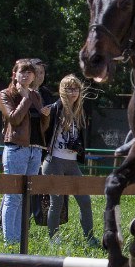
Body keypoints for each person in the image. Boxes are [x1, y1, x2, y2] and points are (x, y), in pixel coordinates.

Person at [42, 74, 98, 247]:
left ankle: (89, 238)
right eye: (69, 89)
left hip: (72, 162)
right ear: (62, 90)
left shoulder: (79, 111)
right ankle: (53, 238)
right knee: (56, 201)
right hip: (54, 161)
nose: (73, 93)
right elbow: (44, 131)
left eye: (76, 89)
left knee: (85, 200)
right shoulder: (55, 108)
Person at [0, 59, 49, 247]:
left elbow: (41, 127)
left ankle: (20, 239)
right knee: (13, 196)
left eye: (30, 72)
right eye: (22, 72)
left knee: (26, 196)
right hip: (16, 148)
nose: (26, 75)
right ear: (15, 75)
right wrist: (26, 99)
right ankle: (9, 241)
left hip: (35, 150)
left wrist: (45, 116)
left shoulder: (36, 95)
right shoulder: (7, 94)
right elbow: (14, 118)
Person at [28, 59, 56, 224]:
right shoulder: (21, 92)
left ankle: (36, 217)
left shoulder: (46, 94)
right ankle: (1, 218)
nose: (39, 76)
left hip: (42, 143)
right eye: (36, 72)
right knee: (17, 184)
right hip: (24, 143)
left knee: (37, 182)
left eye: (42, 73)